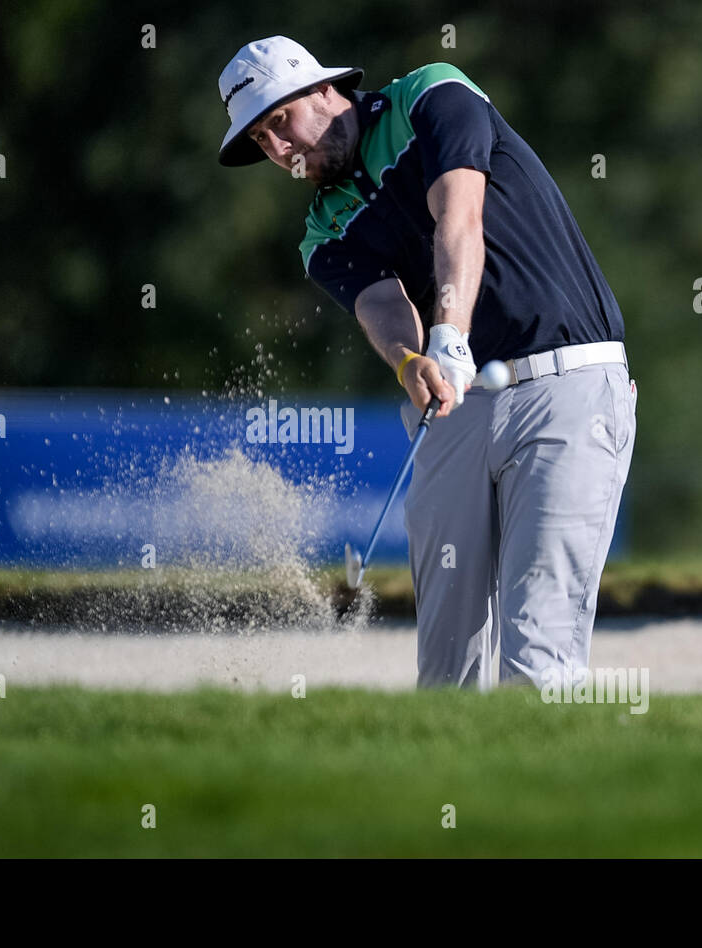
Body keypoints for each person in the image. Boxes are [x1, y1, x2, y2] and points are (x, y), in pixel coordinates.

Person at [217, 36, 637, 689]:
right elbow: (381, 304)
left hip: (569, 385)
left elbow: (458, 216)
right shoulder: (323, 229)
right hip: (456, 409)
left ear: (325, 90)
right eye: (262, 143)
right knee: (447, 675)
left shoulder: (431, 96)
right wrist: (410, 360)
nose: (279, 149)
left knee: (538, 654)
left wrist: (449, 330)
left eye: (280, 122)